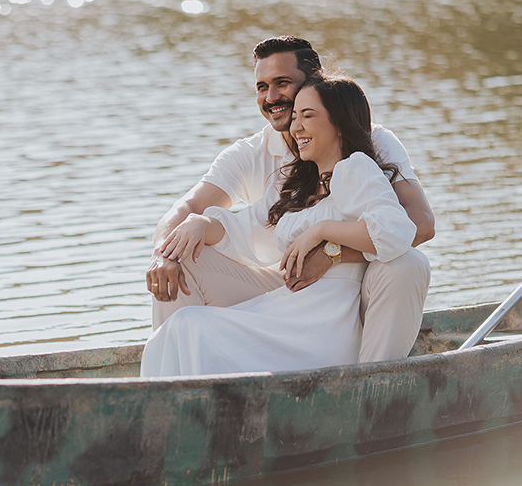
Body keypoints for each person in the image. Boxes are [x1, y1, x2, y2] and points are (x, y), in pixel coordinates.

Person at [145, 36, 434, 363]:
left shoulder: (363, 153)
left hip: (341, 300)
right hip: (286, 290)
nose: (272, 98)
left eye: (283, 83)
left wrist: (329, 247)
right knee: (182, 286)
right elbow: (225, 221)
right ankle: (186, 395)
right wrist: (171, 247)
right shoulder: (287, 172)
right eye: (261, 86)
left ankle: (373, 382)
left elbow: (415, 226)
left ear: (316, 81)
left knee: (408, 263)